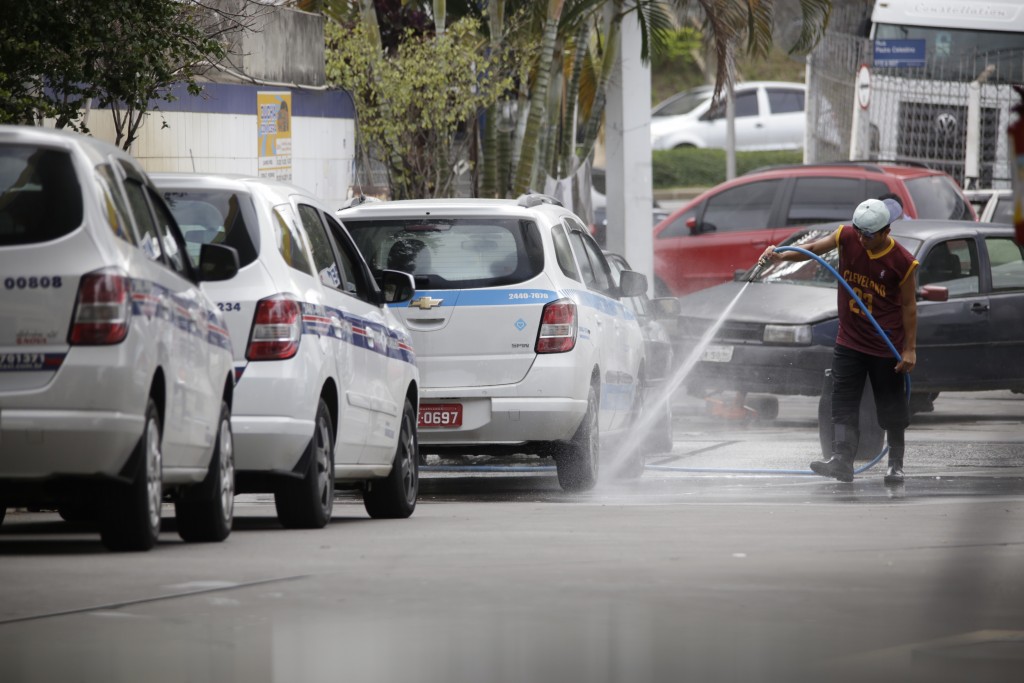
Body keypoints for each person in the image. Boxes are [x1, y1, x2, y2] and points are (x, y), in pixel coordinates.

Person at [758, 198, 919, 484]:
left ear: (886, 231)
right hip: (850, 340)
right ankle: (841, 460)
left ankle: (896, 463)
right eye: (858, 231)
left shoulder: (902, 262)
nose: (861, 238)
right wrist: (782, 257)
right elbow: (811, 251)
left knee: (890, 405)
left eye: (868, 234)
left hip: (885, 344)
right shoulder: (846, 236)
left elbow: (909, 306)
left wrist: (909, 349)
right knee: (842, 401)